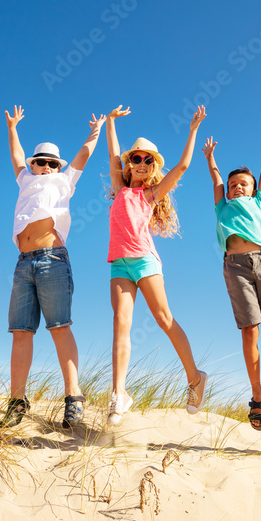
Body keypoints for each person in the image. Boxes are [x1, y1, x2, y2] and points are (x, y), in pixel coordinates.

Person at [0, 104, 103, 429]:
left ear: (57, 166)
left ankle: (74, 397)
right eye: (40, 162)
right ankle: (17, 401)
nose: (45, 166)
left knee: (59, 326)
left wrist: (96, 129)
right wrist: (13, 127)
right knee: (20, 332)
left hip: (52, 260)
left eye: (50, 163)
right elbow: (17, 156)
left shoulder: (64, 181)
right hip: (23, 263)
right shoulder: (25, 180)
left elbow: (84, 154)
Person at [105, 104, 208, 426]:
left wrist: (192, 130)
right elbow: (111, 155)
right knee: (120, 321)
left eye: (147, 160)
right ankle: (119, 394)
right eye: (136, 158)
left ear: (152, 168)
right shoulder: (120, 188)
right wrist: (110, 122)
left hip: (145, 260)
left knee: (164, 319)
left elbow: (183, 166)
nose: (141, 163)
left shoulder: (151, 194)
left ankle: (195, 378)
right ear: (129, 164)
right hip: (118, 263)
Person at [202, 131, 261, 431]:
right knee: (249, 330)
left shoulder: (259, 203)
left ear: (253, 191)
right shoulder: (222, 206)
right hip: (235, 266)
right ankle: (256, 394)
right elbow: (215, 180)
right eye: (233, 185)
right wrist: (211, 157)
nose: (238, 187)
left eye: (243, 185)